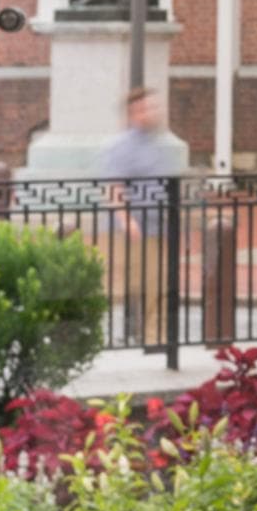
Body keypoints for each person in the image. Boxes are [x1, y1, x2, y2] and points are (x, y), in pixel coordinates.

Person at [100, 87, 174, 343]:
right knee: (148, 285)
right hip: (136, 230)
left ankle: (151, 337)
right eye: (146, 108)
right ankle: (153, 339)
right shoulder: (122, 146)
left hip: (156, 227)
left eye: (154, 107)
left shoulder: (155, 143)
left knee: (155, 285)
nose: (153, 112)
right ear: (134, 112)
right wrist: (127, 220)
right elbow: (114, 187)